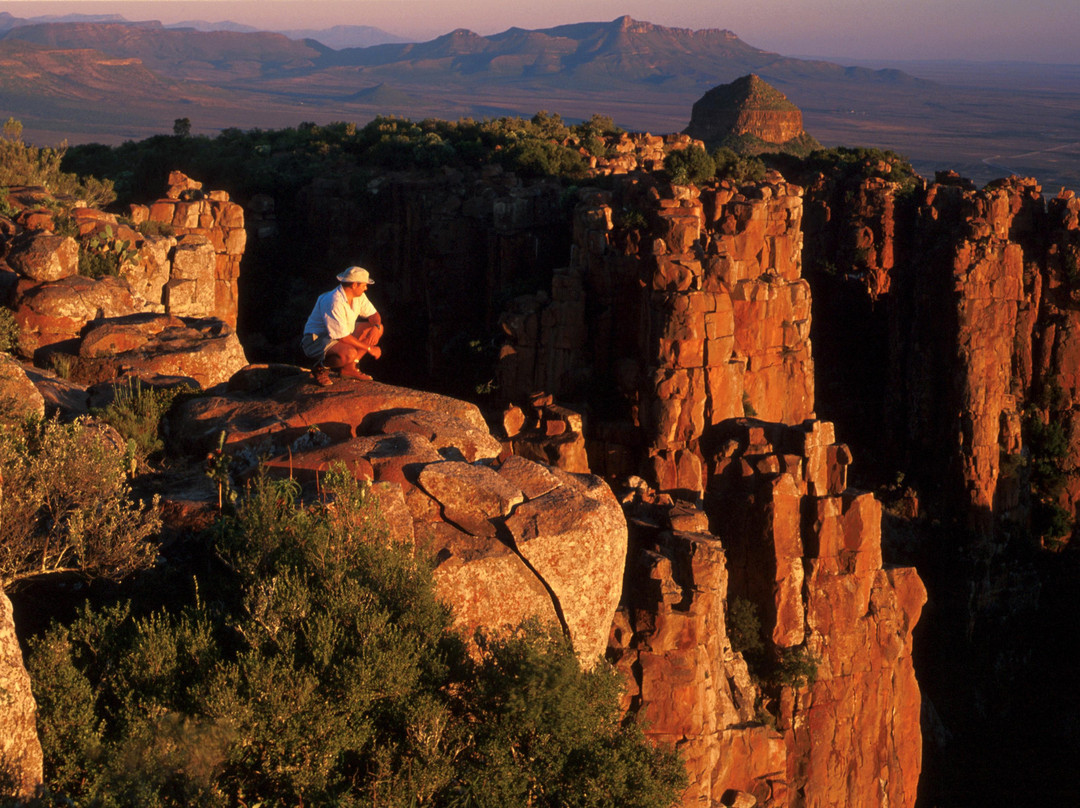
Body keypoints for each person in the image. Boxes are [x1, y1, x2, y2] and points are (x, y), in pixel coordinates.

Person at [301, 266, 383, 385]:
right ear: (354, 285)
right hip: (316, 340)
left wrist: (376, 326)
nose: (366, 288)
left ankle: (349, 368)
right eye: (364, 285)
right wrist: (370, 348)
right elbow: (342, 337)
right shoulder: (333, 301)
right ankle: (320, 368)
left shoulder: (359, 296)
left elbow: (374, 315)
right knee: (349, 353)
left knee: (377, 328)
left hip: (340, 335)